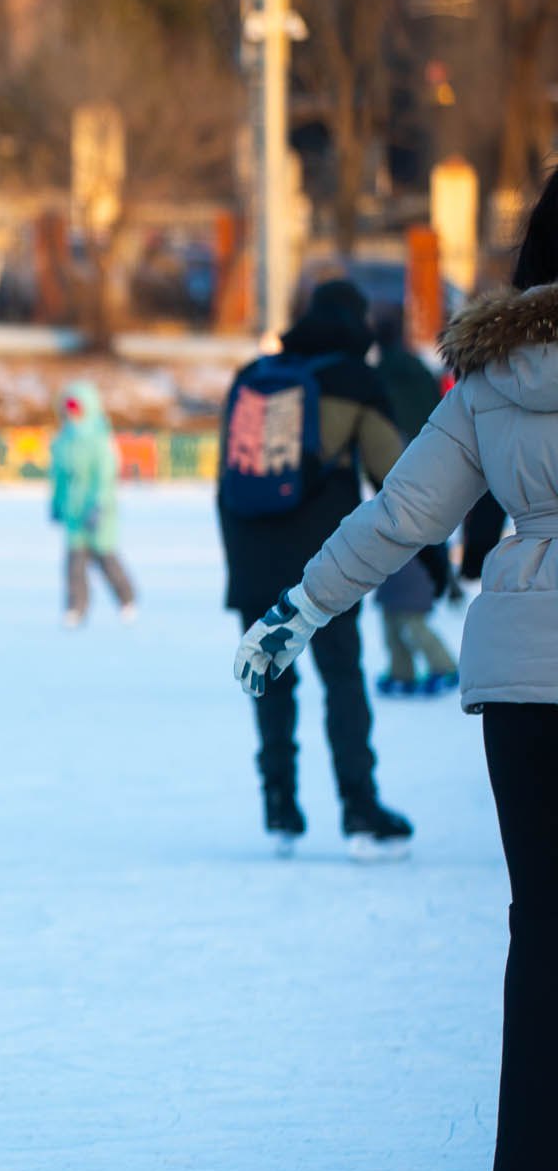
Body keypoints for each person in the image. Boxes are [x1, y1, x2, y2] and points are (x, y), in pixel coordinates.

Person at [232, 165, 558, 1171]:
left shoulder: (492, 379)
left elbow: (401, 516)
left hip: (522, 671)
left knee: (543, 918)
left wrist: (299, 606)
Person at [217, 279, 416, 858]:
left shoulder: (253, 375)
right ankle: (360, 808)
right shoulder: (355, 380)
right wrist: (429, 554)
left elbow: (228, 477)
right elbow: (395, 474)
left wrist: (239, 565)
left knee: (269, 679)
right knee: (342, 679)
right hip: (324, 566)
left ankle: (280, 806)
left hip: (253, 553)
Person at [369, 309, 460, 698]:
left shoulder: (376, 377)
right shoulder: (421, 371)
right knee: (403, 587)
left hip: (395, 480)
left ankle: (441, 666)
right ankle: (402, 669)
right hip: (430, 475)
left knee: (402, 591)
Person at [50, 382, 137, 627]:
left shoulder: (100, 439)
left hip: (99, 510)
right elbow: (59, 477)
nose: (72, 415)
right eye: (69, 409)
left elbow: (106, 476)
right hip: (74, 511)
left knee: (106, 558)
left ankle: (126, 599)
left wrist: (99, 505)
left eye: (77, 409)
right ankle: (76, 607)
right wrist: (57, 503)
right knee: (74, 564)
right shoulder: (63, 441)